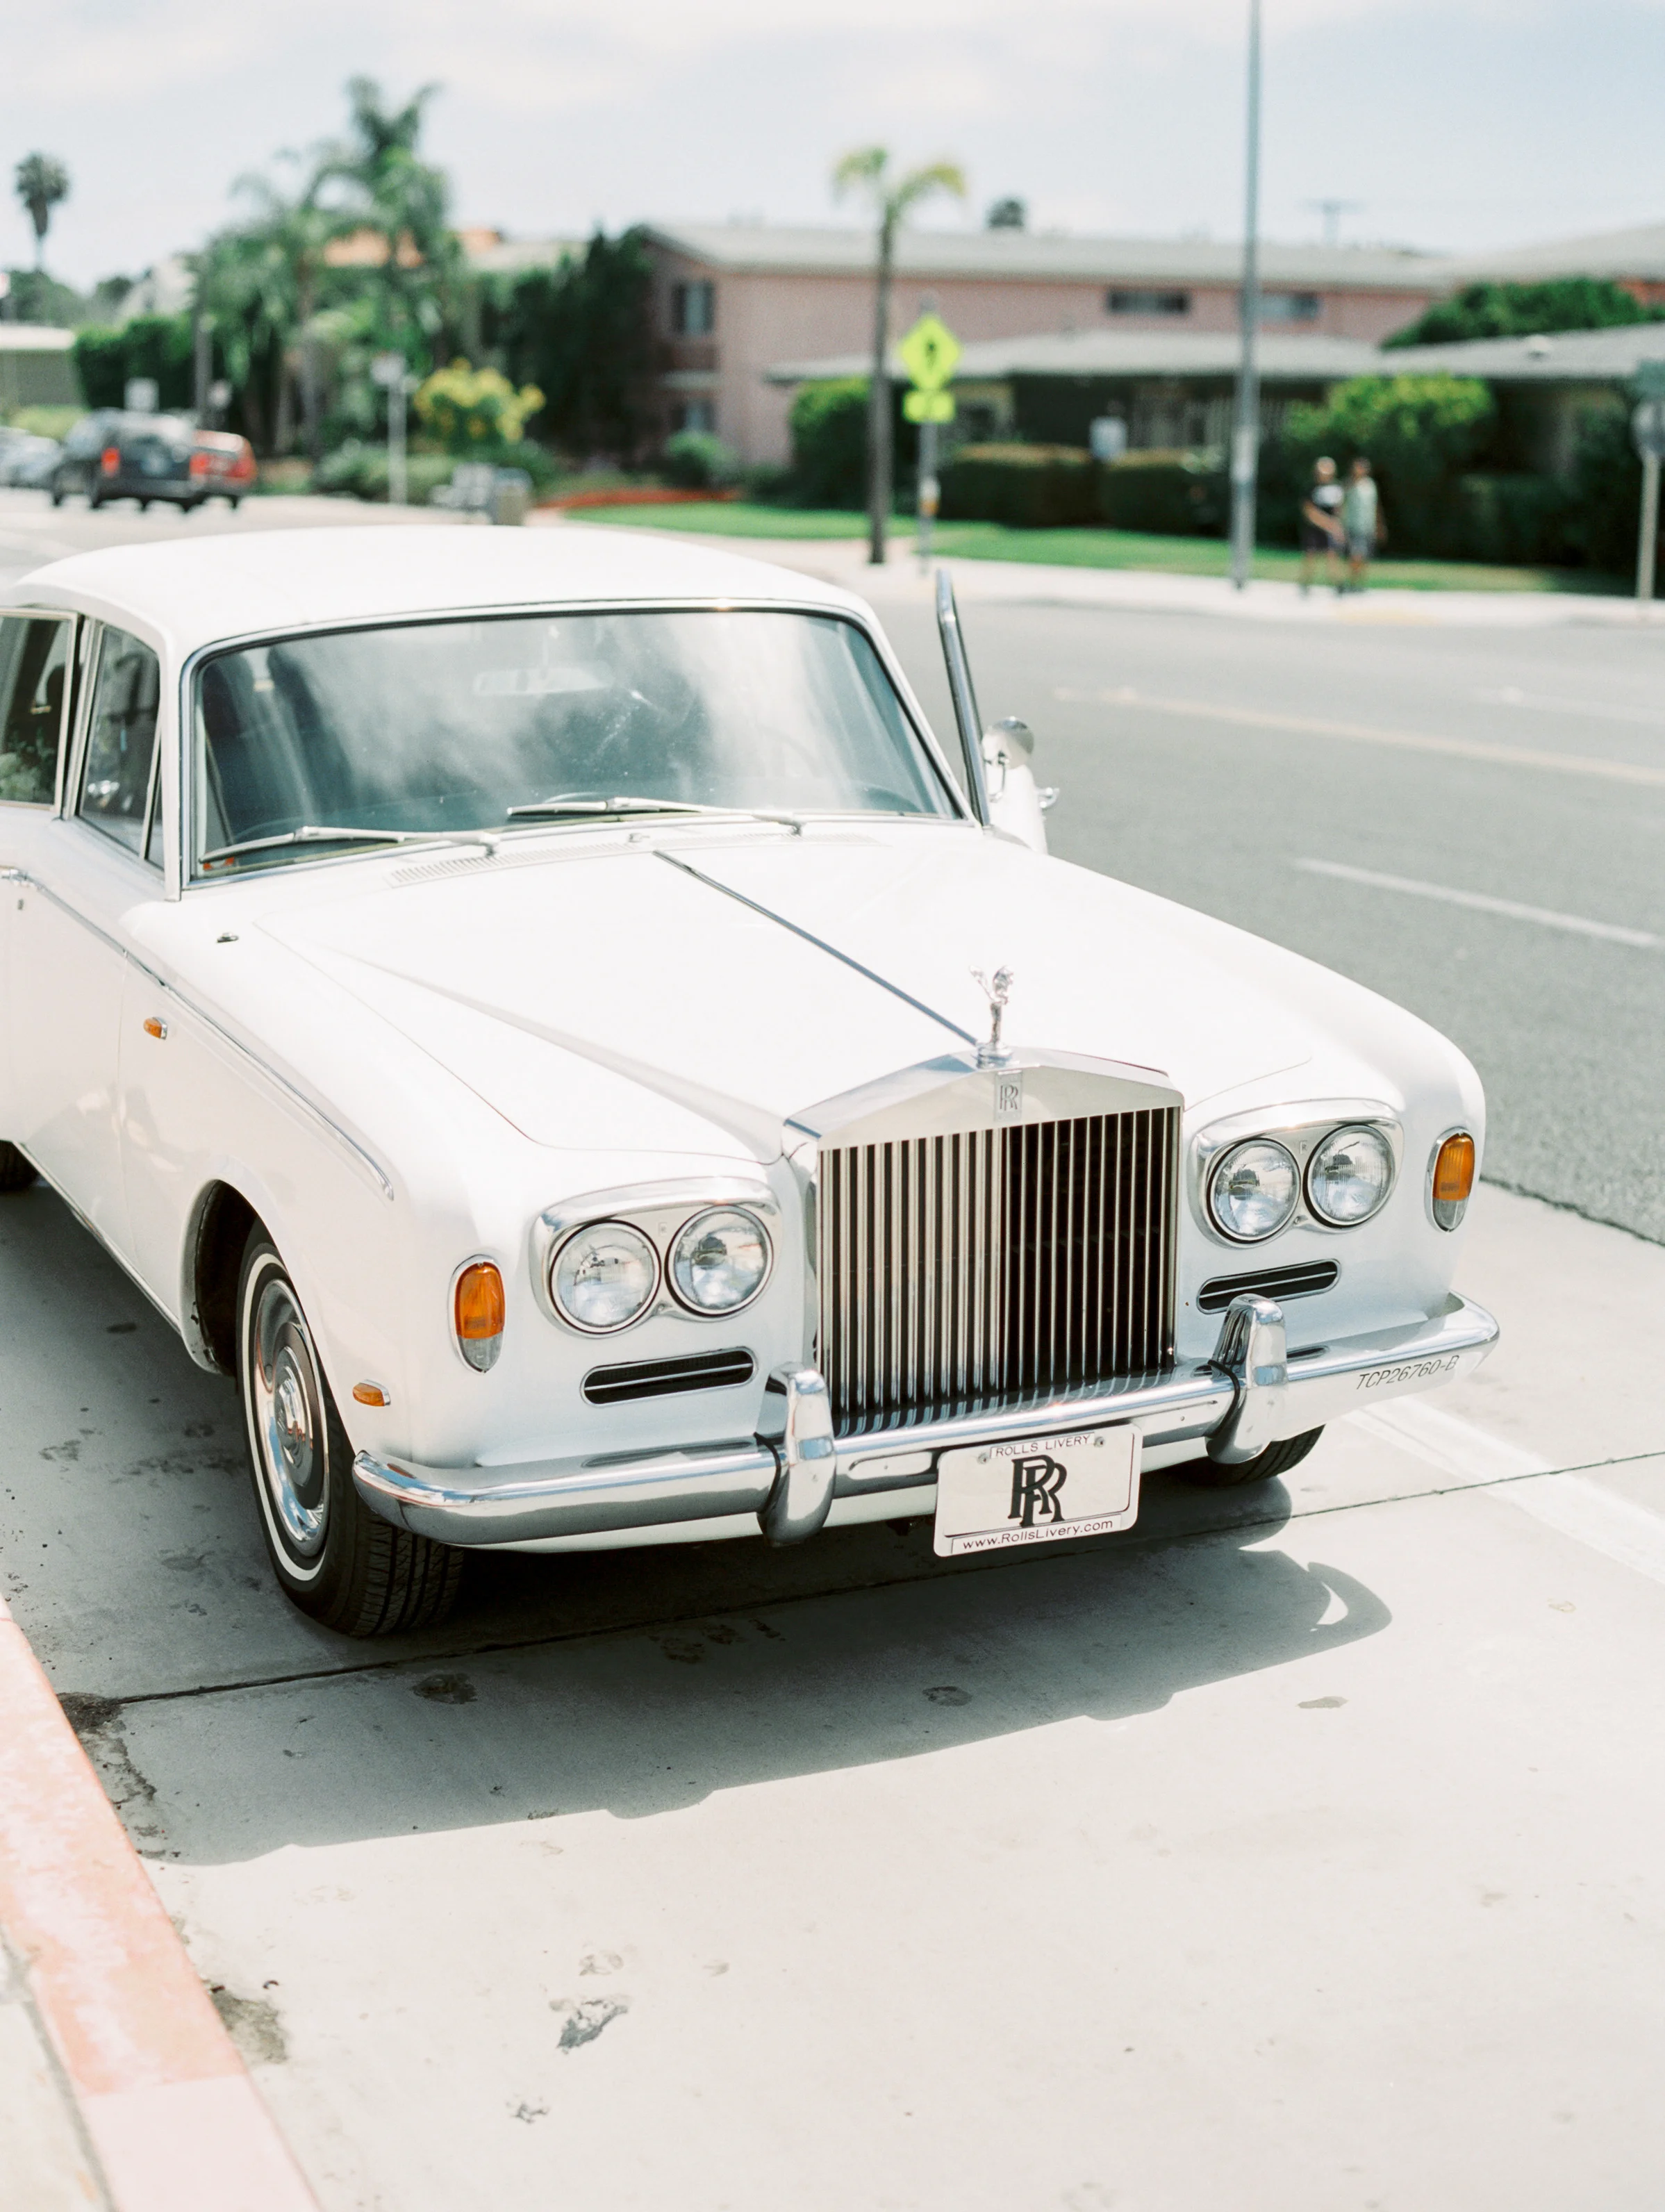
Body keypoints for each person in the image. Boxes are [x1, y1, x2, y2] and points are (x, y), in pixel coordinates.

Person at [1299, 456, 1345, 595]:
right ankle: (1305, 583)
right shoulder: (1311, 488)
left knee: (1332, 555)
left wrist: (1337, 526)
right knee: (1311, 555)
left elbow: (1339, 509)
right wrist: (1328, 523)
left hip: (1331, 528)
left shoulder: (1337, 487)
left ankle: (1338, 583)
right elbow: (1309, 511)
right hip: (1315, 527)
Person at [1343, 455, 1386, 591]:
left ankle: (1360, 583)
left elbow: (1376, 506)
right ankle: (1352, 582)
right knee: (1356, 555)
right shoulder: (1349, 484)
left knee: (1365, 556)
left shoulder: (1371, 485)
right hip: (1353, 525)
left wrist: (1379, 525)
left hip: (1368, 526)